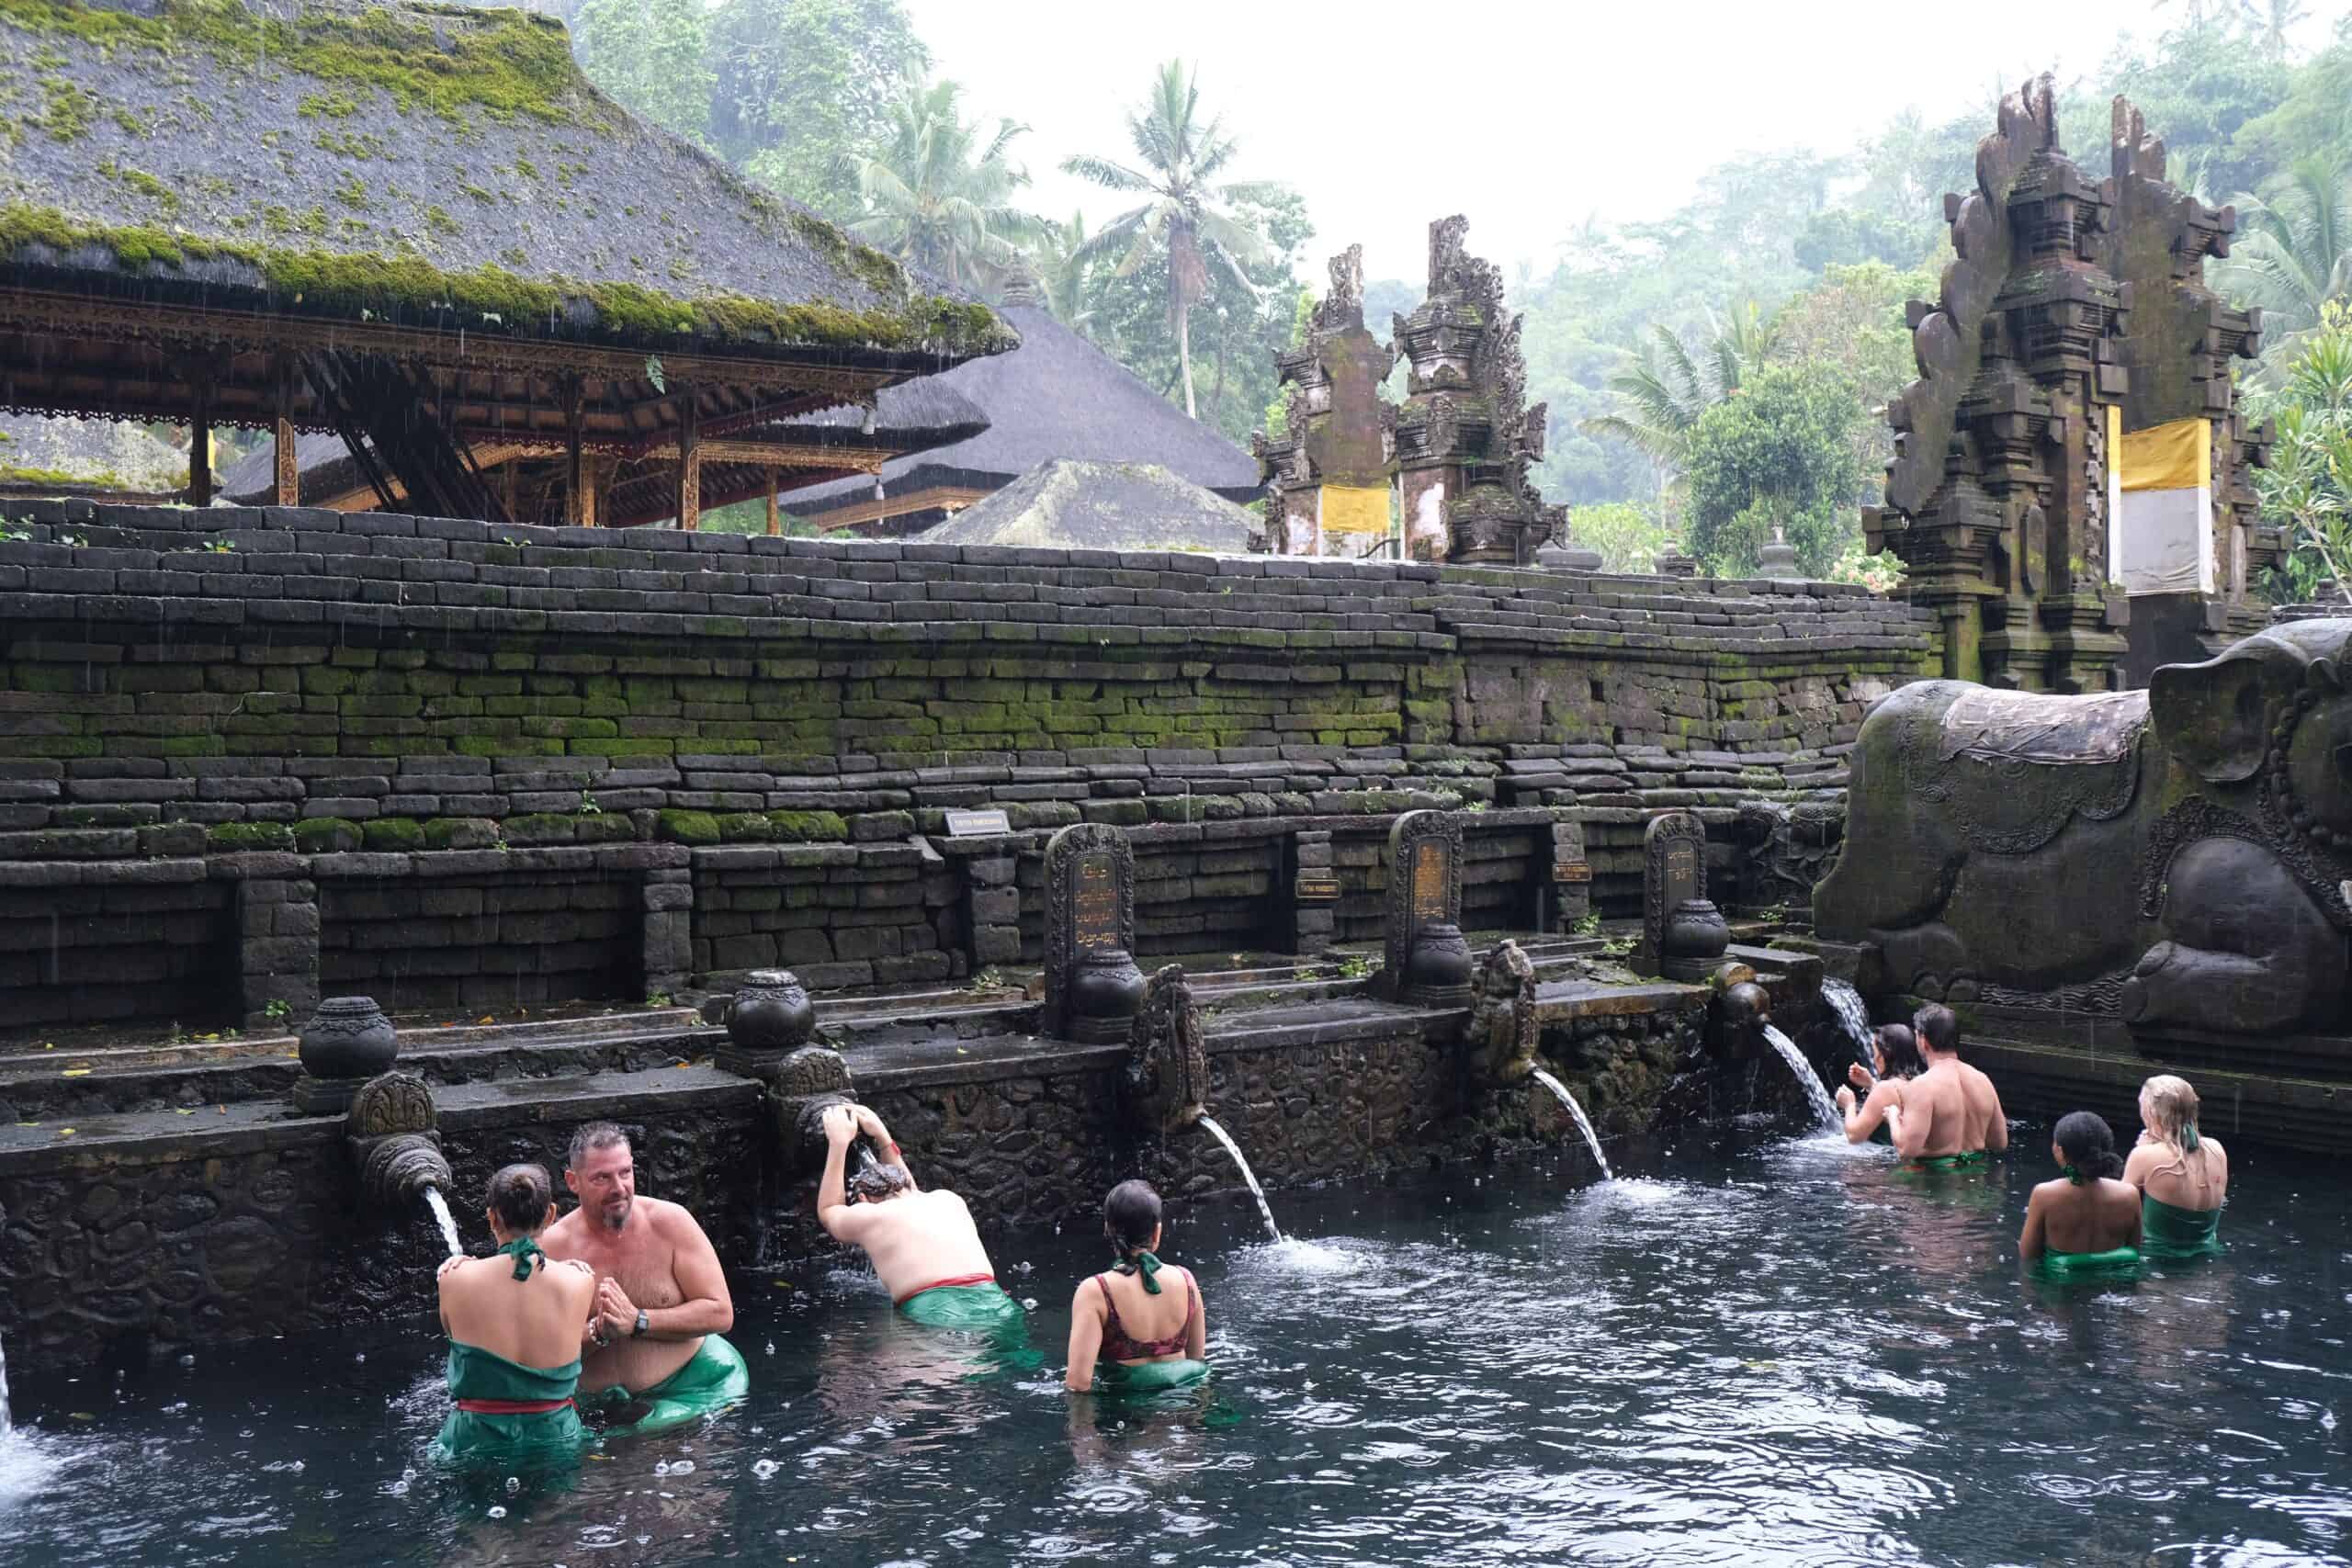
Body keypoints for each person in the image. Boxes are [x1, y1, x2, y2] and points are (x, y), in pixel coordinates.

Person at [540, 1122, 746, 1437]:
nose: (618, 1187)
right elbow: (538, 1352)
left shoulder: (672, 1223)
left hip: (689, 1389)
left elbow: (720, 1313)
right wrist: (599, 1332)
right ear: (573, 1181)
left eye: (625, 1172)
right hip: (590, 1405)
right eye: (602, 1178)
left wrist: (638, 1320)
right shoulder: (551, 1247)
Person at [816, 1100, 1028, 1336]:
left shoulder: (870, 1214)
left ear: (864, 1198)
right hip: (996, 1302)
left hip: (936, 1310)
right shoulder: (947, 1200)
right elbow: (912, 1190)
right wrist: (884, 1138)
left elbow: (829, 1210)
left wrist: (838, 1145)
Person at [433, 1163, 597, 1459]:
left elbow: (452, 1334)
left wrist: (466, 1268)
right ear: (550, 1214)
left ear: (492, 1217)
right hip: (555, 1437)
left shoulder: (453, 1278)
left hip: (477, 1439)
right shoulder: (581, 1280)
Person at [1065, 1179, 1208, 1395]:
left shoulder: (1095, 1292)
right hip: (1181, 1413)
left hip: (1125, 1420)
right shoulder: (1186, 1280)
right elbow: (1197, 1362)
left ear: (1108, 1230)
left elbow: (1078, 1384)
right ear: (1157, 1233)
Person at [2020, 1110, 2143, 1277]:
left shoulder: (2044, 1194)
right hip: (2111, 1288)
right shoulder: (2130, 1195)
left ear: (2060, 1151)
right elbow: (2135, 1250)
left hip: (2061, 1295)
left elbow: (2028, 1256)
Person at [2124, 1074, 2228, 1260]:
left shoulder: (2144, 1155)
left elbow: (2118, 1216)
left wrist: (2142, 1150)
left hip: (2157, 1265)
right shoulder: (2217, 1150)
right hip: (2208, 1260)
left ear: (2150, 1111)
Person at [1915, 1004, 2009, 1161]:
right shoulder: (1982, 1080)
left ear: (1924, 1041)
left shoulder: (1923, 1085)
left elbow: (1907, 1149)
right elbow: (2000, 1143)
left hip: (1933, 1177)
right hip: (1976, 1173)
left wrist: (1893, 1119)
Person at [1833, 1022, 1927, 1145]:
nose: (1874, 1058)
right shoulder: (1920, 1081)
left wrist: (1849, 1104)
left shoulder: (1885, 1088)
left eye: (1874, 1053)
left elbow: (1854, 1136)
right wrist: (1871, 1084)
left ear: (1883, 1056)